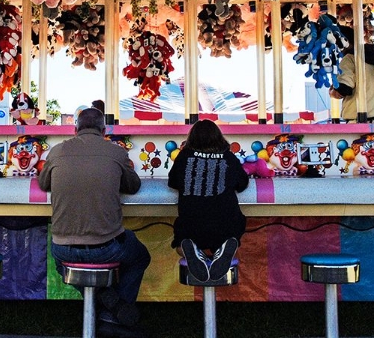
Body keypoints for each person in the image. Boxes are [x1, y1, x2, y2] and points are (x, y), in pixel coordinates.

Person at [38, 106, 150, 338]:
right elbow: (134, 186)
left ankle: (106, 299)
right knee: (140, 256)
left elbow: (43, 183)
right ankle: (113, 311)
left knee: (67, 267)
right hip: (106, 248)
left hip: (62, 250)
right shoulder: (116, 152)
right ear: (103, 129)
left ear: (75, 128)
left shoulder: (57, 152)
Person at [167, 119, 249, 282]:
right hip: (226, 225)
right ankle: (223, 248)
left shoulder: (184, 157)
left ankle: (196, 252)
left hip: (191, 226)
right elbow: (242, 184)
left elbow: (172, 182)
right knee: (232, 230)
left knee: (180, 244)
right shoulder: (229, 158)